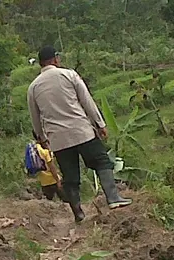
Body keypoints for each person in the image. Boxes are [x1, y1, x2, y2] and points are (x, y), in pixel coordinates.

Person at [27, 46, 132, 222]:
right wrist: (100, 124)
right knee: (101, 162)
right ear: (55, 59)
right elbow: (87, 101)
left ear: (40, 63)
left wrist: (41, 138)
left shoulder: (34, 87)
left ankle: (78, 213)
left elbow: (34, 116)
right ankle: (113, 198)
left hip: (58, 139)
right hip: (82, 131)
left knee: (70, 176)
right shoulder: (69, 75)